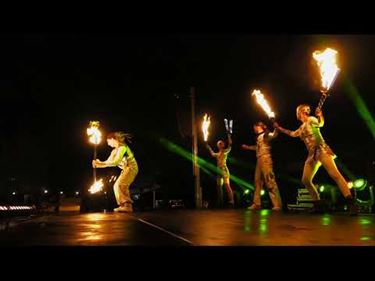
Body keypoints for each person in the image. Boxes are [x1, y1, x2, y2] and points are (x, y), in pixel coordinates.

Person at [274, 104, 358, 215]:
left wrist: (320, 115)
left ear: (302, 111)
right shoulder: (302, 126)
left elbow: (320, 124)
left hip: (321, 149)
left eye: (297, 111)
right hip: (312, 155)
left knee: (335, 175)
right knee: (305, 180)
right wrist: (280, 129)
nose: (296, 114)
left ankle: (351, 203)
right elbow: (293, 134)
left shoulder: (311, 119)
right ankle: (318, 205)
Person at [93, 132, 138, 213]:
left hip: (131, 167)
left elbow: (115, 162)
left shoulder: (122, 148)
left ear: (113, 139)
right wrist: (98, 164)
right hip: (126, 169)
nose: (108, 144)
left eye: (108, 141)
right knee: (117, 186)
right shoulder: (114, 151)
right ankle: (124, 206)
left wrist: (101, 163)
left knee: (120, 184)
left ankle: (127, 206)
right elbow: (108, 162)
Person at [241, 122, 282, 211]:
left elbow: (274, 134)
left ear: (258, 126)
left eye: (254, 127)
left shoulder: (266, 134)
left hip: (266, 159)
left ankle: (277, 204)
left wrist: (275, 128)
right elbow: (257, 147)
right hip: (259, 160)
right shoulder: (259, 137)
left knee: (269, 180)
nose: (254, 129)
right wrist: (248, 147)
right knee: (257, 181)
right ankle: (257, 203)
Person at [206, 134, 234, 208]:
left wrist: (229, 137)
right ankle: (220, 202)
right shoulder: (217, 154)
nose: (219, 144)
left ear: (223, 145)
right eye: (218, 144)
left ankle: (231, 201)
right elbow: (212, 154)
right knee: (219, 187)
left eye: (221, 143)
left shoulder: (225, 151)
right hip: (219, 171)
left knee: (227, 186)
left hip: (224, 170)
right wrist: (209, 147)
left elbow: (230, 145)